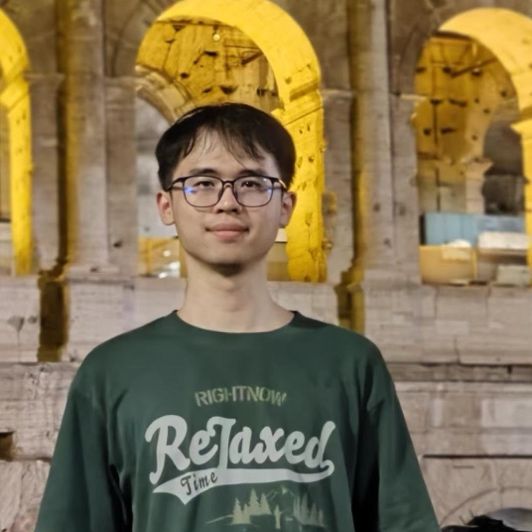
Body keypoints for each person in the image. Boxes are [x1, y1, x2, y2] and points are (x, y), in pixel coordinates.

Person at [36, 102, 440, 532]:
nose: (227, 202)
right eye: (202, 184)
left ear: (285, 206)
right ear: (166, 206)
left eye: (251, 183)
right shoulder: (112, 372)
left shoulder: (351, 364)